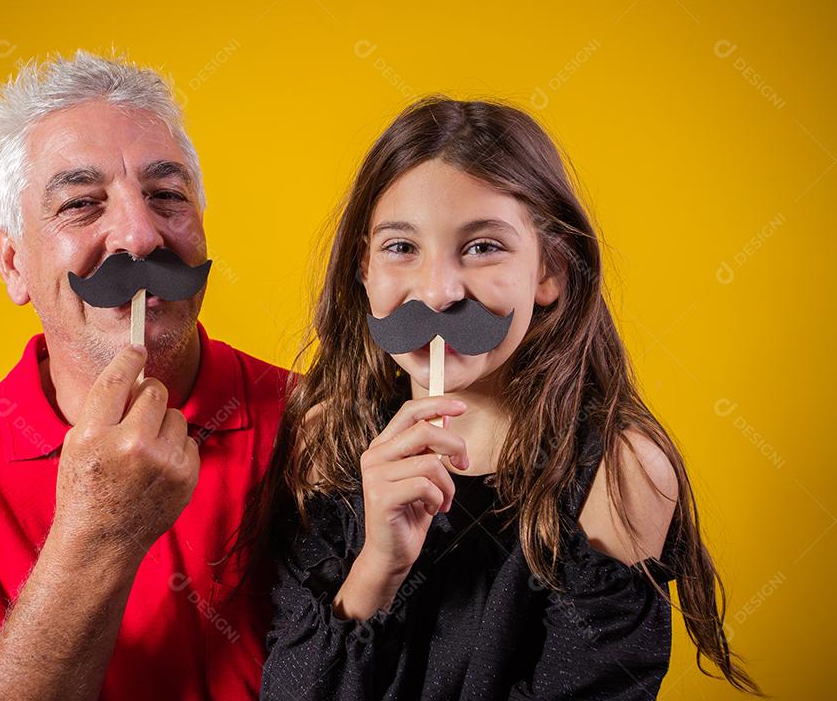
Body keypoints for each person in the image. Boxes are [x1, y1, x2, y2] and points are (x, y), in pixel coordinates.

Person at [256, 97, 761, 699]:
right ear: (363, 270)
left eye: (483, 247)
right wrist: (377, 567)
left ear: (549, 271)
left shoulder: (620, 476)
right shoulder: (323, 441)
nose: (439, 292)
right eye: (400, 247)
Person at [0, 51, 288, 701]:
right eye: (83, 204)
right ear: (12, 262)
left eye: (167, 197)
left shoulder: (322, 421)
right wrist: (100, 529)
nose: (140, 237)